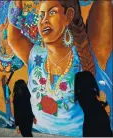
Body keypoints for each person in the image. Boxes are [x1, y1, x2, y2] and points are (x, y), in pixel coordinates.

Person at [7, 0, 112, 136]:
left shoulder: (86, 53)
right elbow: (13, 39)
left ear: (68, 16)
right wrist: (17, 8)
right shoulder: (36, 56)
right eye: (41, 16)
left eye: (52, 13)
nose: (44, 20)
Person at [74, 71, 112, 137]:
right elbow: (107, 111)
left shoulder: (80, 96)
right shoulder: (93, 94)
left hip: (89, 125)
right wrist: (103, 101)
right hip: (101, 125)